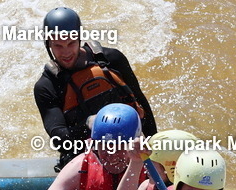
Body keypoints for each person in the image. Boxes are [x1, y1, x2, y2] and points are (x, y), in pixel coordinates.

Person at [34, 7, 157, 170]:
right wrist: (89, 123)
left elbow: (140, 104)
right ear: (48, 44)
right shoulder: (46, 86)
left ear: (79, 38)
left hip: (128, 150)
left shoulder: (112, 60)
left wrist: (154, 148)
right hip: (84, 158)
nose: (65, 52)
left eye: (71, 43)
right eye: (58, 46)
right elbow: (59, 139)